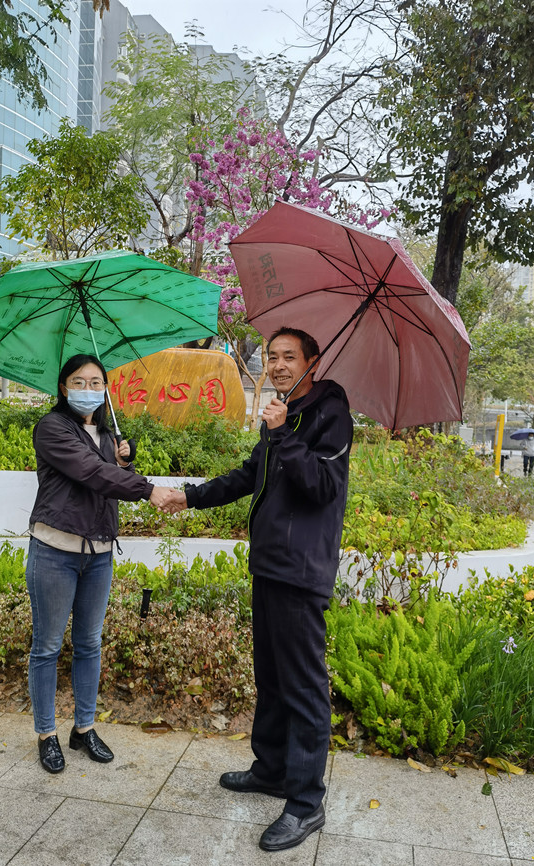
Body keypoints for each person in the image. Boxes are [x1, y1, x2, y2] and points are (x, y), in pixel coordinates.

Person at [158, 327, 353, 852]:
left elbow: (323, 487)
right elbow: (249, 475)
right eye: (272, 356)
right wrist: (190, 497)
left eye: (290, 356)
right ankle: (271, 769)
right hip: (268, 564)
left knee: (303, 685)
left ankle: (306, 803)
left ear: (313, 360)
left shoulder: (330, 411)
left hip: (301, 570)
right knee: (269, 674)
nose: (279, 364)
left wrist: (284, 433)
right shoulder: (284, 411)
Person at [26, 353, 167, 774]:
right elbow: (90, 473)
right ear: (63, 388)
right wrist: (147, 488)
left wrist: (125, 462)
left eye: (95, 382)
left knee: (89, 644)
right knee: (47, 647)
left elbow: (109, 481)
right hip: (55, 552)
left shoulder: (107, 435)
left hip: (99, 555)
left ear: (105, 388)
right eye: (78, 382)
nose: (87, 390)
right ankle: (47, 734)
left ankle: (83, 728)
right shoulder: (52, 428)